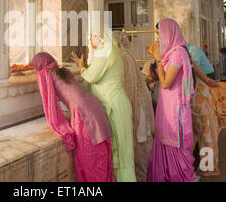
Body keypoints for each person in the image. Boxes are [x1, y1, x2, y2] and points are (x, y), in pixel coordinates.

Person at [8, 52, 115, 182]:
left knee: (89, 157)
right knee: (101, 152)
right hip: (94, 106)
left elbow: (12, 79)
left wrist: (20, 72)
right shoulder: (64, 71)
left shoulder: (46, 75)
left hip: (83, 112)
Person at [71, 26, 136, 182]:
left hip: (114, 106)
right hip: (116, 104)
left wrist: (81, 68)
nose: (89, 40)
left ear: (99, 37)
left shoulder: (105, 50)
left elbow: (92, 77)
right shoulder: (109, 50)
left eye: (91, 37)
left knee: (121, 154)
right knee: (122, 153)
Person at [147, 18, 196, 182]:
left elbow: (166, 83)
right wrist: (157, 60)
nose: (157, 39)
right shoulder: (171, 53)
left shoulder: (177, 53)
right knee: (164, 141)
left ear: (169, 33)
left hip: (175, 110)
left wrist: (159, 59)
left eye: (159, 34)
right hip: (167, 107)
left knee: (174, 145)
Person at [112, 31, 154, 182]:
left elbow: (129, 87)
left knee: (140, 150)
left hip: (136, 107)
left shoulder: (123, 57)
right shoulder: (125, 56)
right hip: (138, 105)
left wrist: (130, 115)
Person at [187, 44, 221, 177]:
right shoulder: (184, 51)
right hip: (196, 96)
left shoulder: (187, 52)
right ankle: (203, 166)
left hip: (199, 94)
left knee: (204, 133)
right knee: (201, 133)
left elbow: (194, 69)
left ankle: (208, 167)